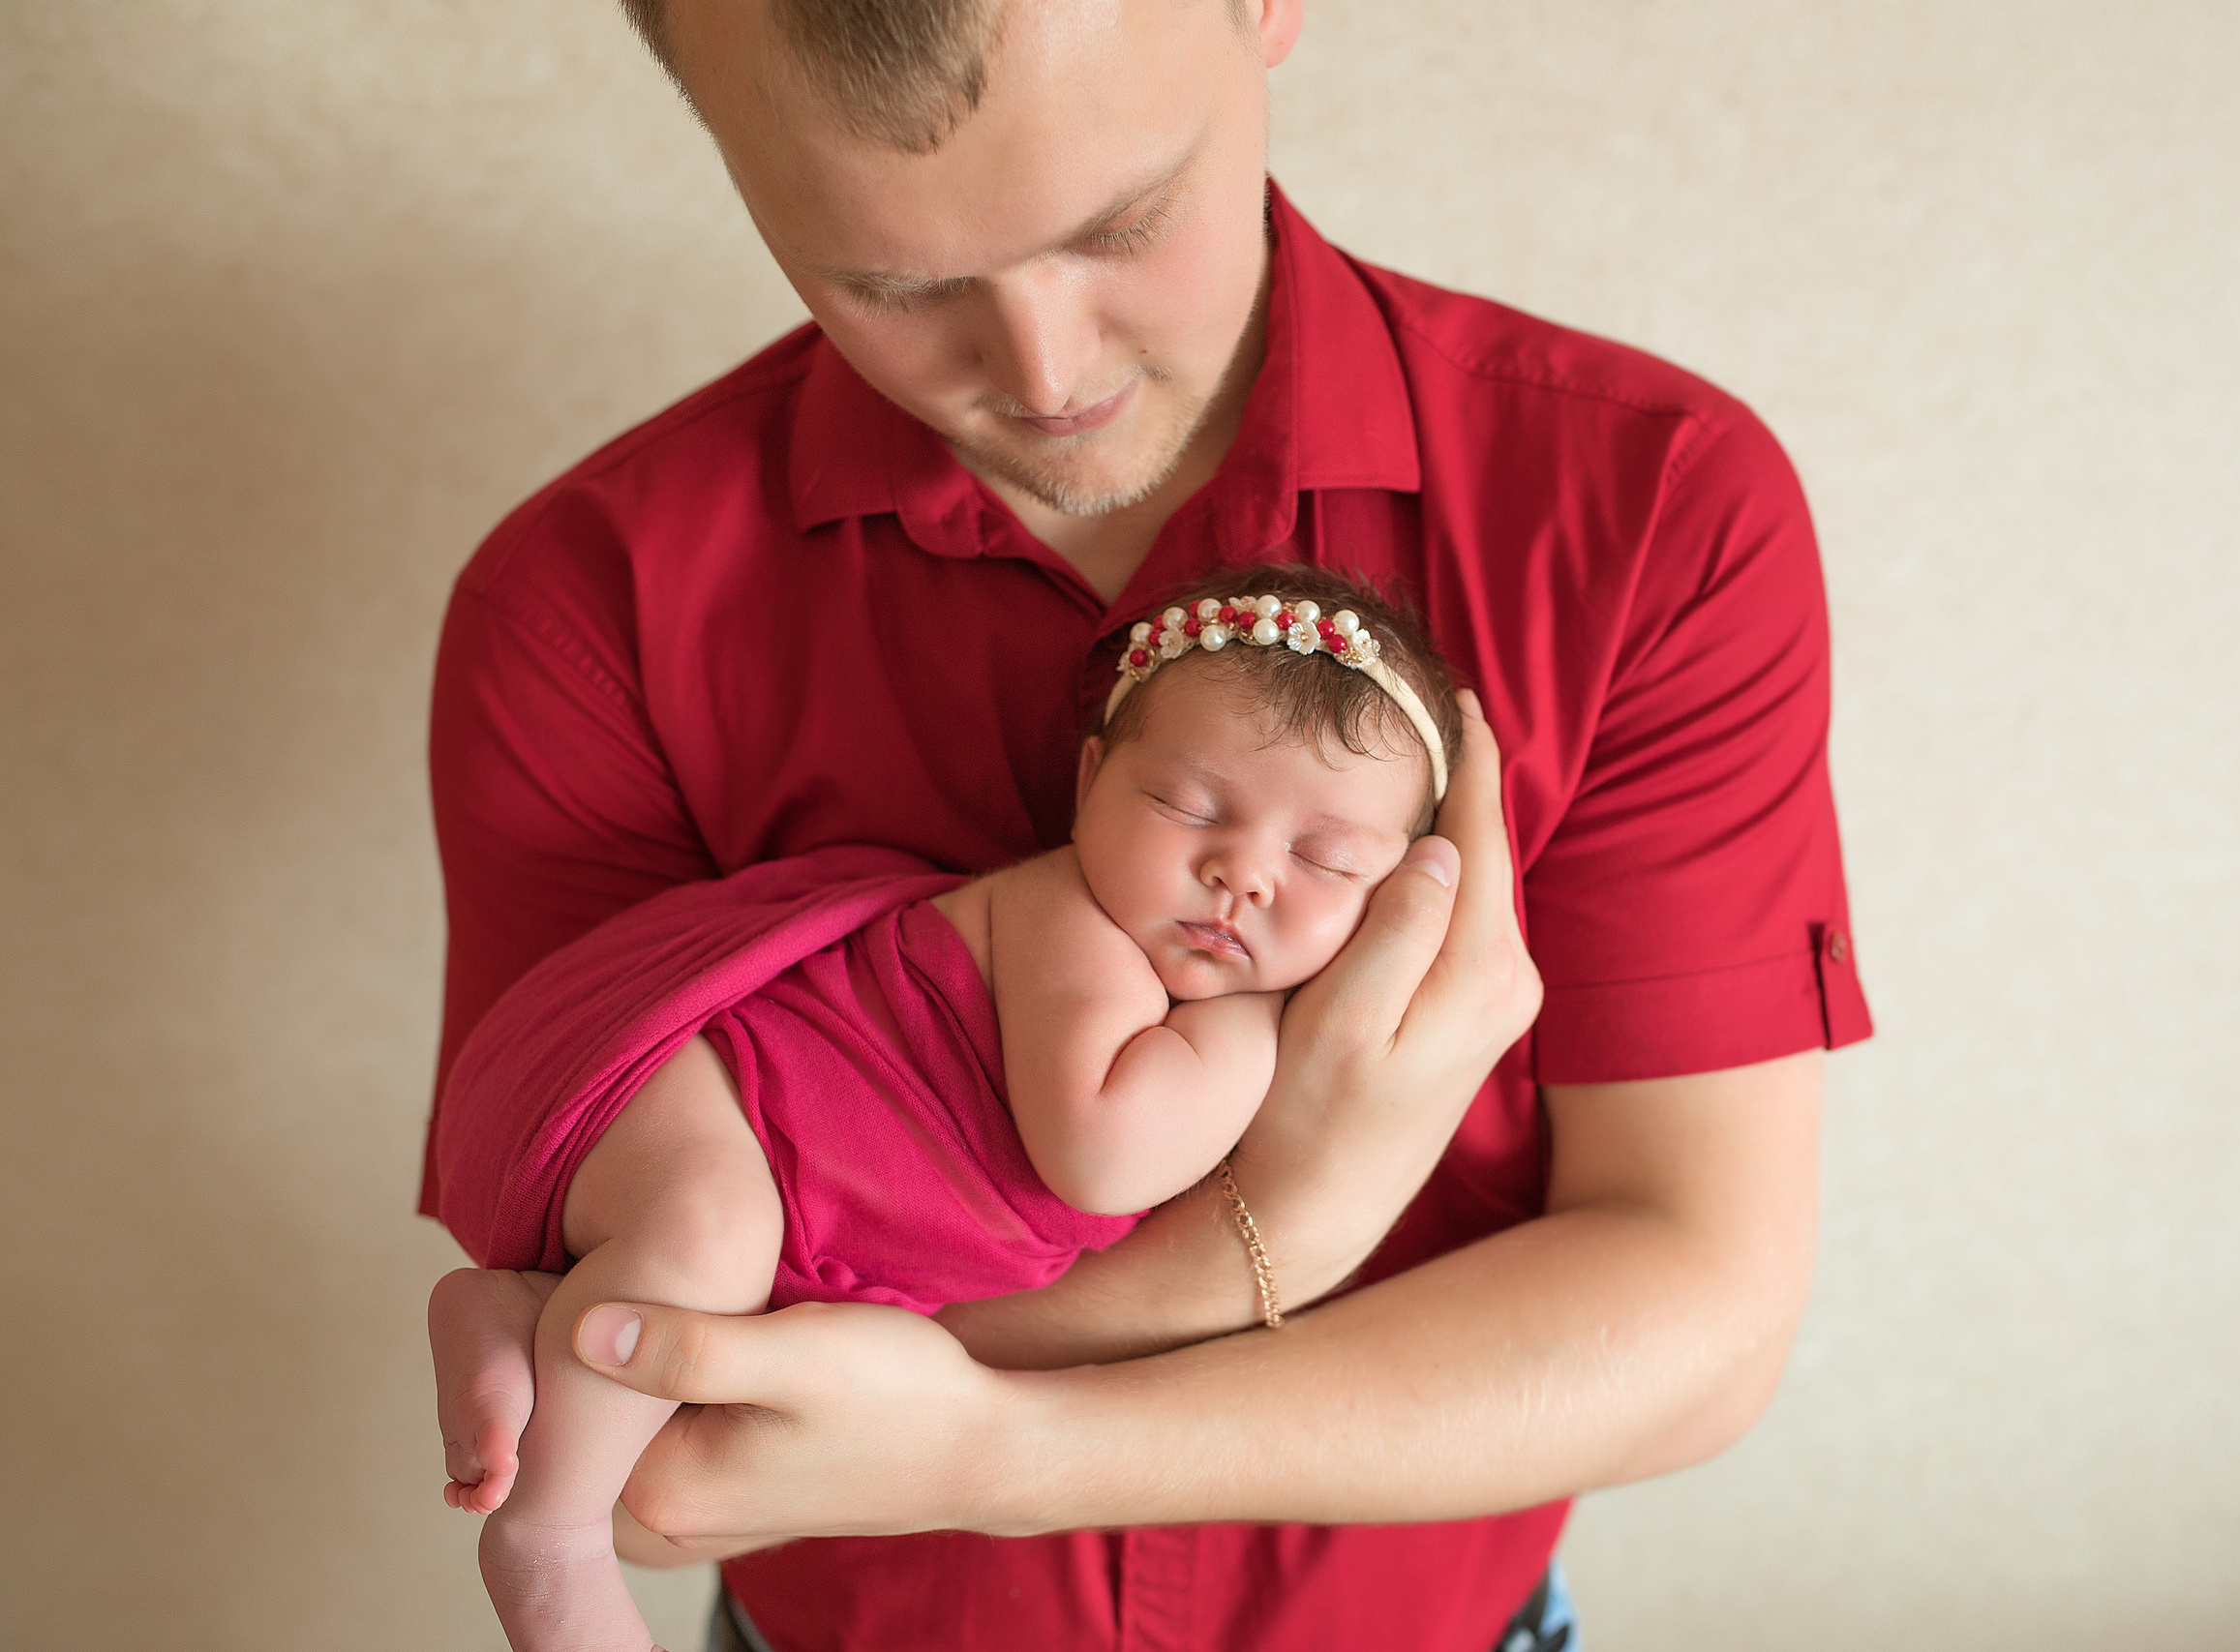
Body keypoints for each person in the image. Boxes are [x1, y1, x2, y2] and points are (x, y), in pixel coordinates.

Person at [421, 0, 1873, 1647]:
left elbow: (1697, 1319)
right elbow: (645, 1470)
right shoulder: (585, 614)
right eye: (892, 283)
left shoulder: (1651, 514)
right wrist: (1272, 1237)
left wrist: (1010, 1447)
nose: (1045, 371)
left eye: (1123, 224)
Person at [430, 571, 1464, 1652]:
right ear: (1092, 781)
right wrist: (1261, 1022)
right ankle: (551, 1535)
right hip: (724, 1104)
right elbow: (1105, 1159)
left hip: (780, 1176)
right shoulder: (1072, 925)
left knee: (701, 1279)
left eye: (1324, 860)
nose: (1239, 872)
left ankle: (523, 1309)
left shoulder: (1157, 965)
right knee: (708, 1236)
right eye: (1188, 806)